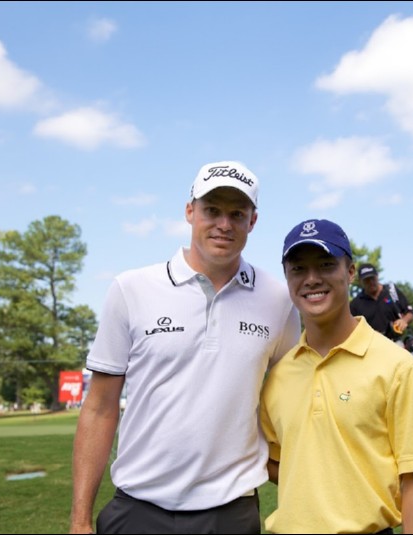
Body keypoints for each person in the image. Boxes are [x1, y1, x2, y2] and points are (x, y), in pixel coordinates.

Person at [69, 161, 301, 534]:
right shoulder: (131, 289)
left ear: (252, 221)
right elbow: (98, 408)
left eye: (237, 214)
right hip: (138, 508)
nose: (224, 224)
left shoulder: (278, 299)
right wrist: (80, 520)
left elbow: (291, 399)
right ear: (190, 211)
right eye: (212, 210)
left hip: (231, 511)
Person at [260, 219, 413, 534]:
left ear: (350, 272)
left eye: (326, 265)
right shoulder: (279, 374)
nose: (312, 279)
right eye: (298, 269)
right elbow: (275, 462)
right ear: (287, 277)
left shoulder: (397, 366)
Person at [350, 263, 413, 343]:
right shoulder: (355, 304)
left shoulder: (391, 292)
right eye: (367, 280)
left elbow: (410, 313)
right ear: (360, 281)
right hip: (371, 345)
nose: (371, 282)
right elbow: (351, 329)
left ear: (377, 276)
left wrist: (404, 320)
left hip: (395, 342)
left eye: (372, 278)